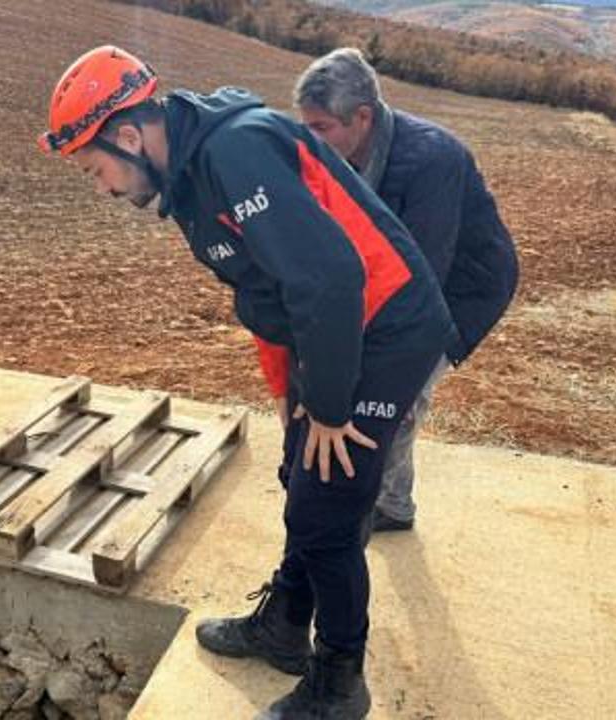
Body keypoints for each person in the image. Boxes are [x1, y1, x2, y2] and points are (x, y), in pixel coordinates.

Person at [38, 46, 459, 719]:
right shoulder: (188, 181)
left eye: (98, 170)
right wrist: (290, 398)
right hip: (332, 328)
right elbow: (266, 295)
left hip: (385, 329)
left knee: (328, 508)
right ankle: (286, 627)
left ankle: (339, 684)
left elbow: (329, 280)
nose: (105, 189)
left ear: (128, 135)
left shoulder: (235, 153)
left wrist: (325, 406)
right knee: (302, 478)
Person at [296, 48, 519, 534]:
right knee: (376, 382)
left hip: (462, 287)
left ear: (362, 116)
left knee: (395, 392)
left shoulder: (431, 159)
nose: (309, 140)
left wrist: (357, 346)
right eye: (305, 126)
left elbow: (421, 278)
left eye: (320, 128)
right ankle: (394, 502)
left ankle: (388, 505)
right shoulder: (340, 153)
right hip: (404, 277)